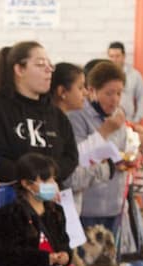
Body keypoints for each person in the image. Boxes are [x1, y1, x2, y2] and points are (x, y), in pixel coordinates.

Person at [0, 41, 78, 187]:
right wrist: (33, 179)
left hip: (52, 197)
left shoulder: (55, 113)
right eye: (40, 64)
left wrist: (49, 177)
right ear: (19, 69)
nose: (49, 69)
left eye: (50, 64)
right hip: (11, 198)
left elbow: (71, 157)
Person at [68, 61, 131, 234]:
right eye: (109, 93)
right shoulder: (77, 117)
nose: (115, 99)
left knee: (111, 261)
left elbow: (123, 150)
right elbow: (78, 158)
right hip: (88, 208)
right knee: (89, 259)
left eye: (119, 93)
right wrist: (106, 131)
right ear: (92, 91)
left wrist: (129, 159)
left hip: (116, 205)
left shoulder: (118, 115)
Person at [51, 62, 115, 210]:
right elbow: (69, 177)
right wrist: (105, 169)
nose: (85, 93)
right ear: (62, 91)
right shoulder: (59, 125)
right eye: (80, 88)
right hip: (61, 208)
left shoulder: (64, 121)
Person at [107, 42, 143, 123]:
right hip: (106, 121)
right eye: (111, 56)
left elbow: (142, 97)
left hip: (128, 122)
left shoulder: (134, 75)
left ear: (123, 56)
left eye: (117, 56)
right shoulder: (103, 74)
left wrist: (137, 119)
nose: (114, 59)